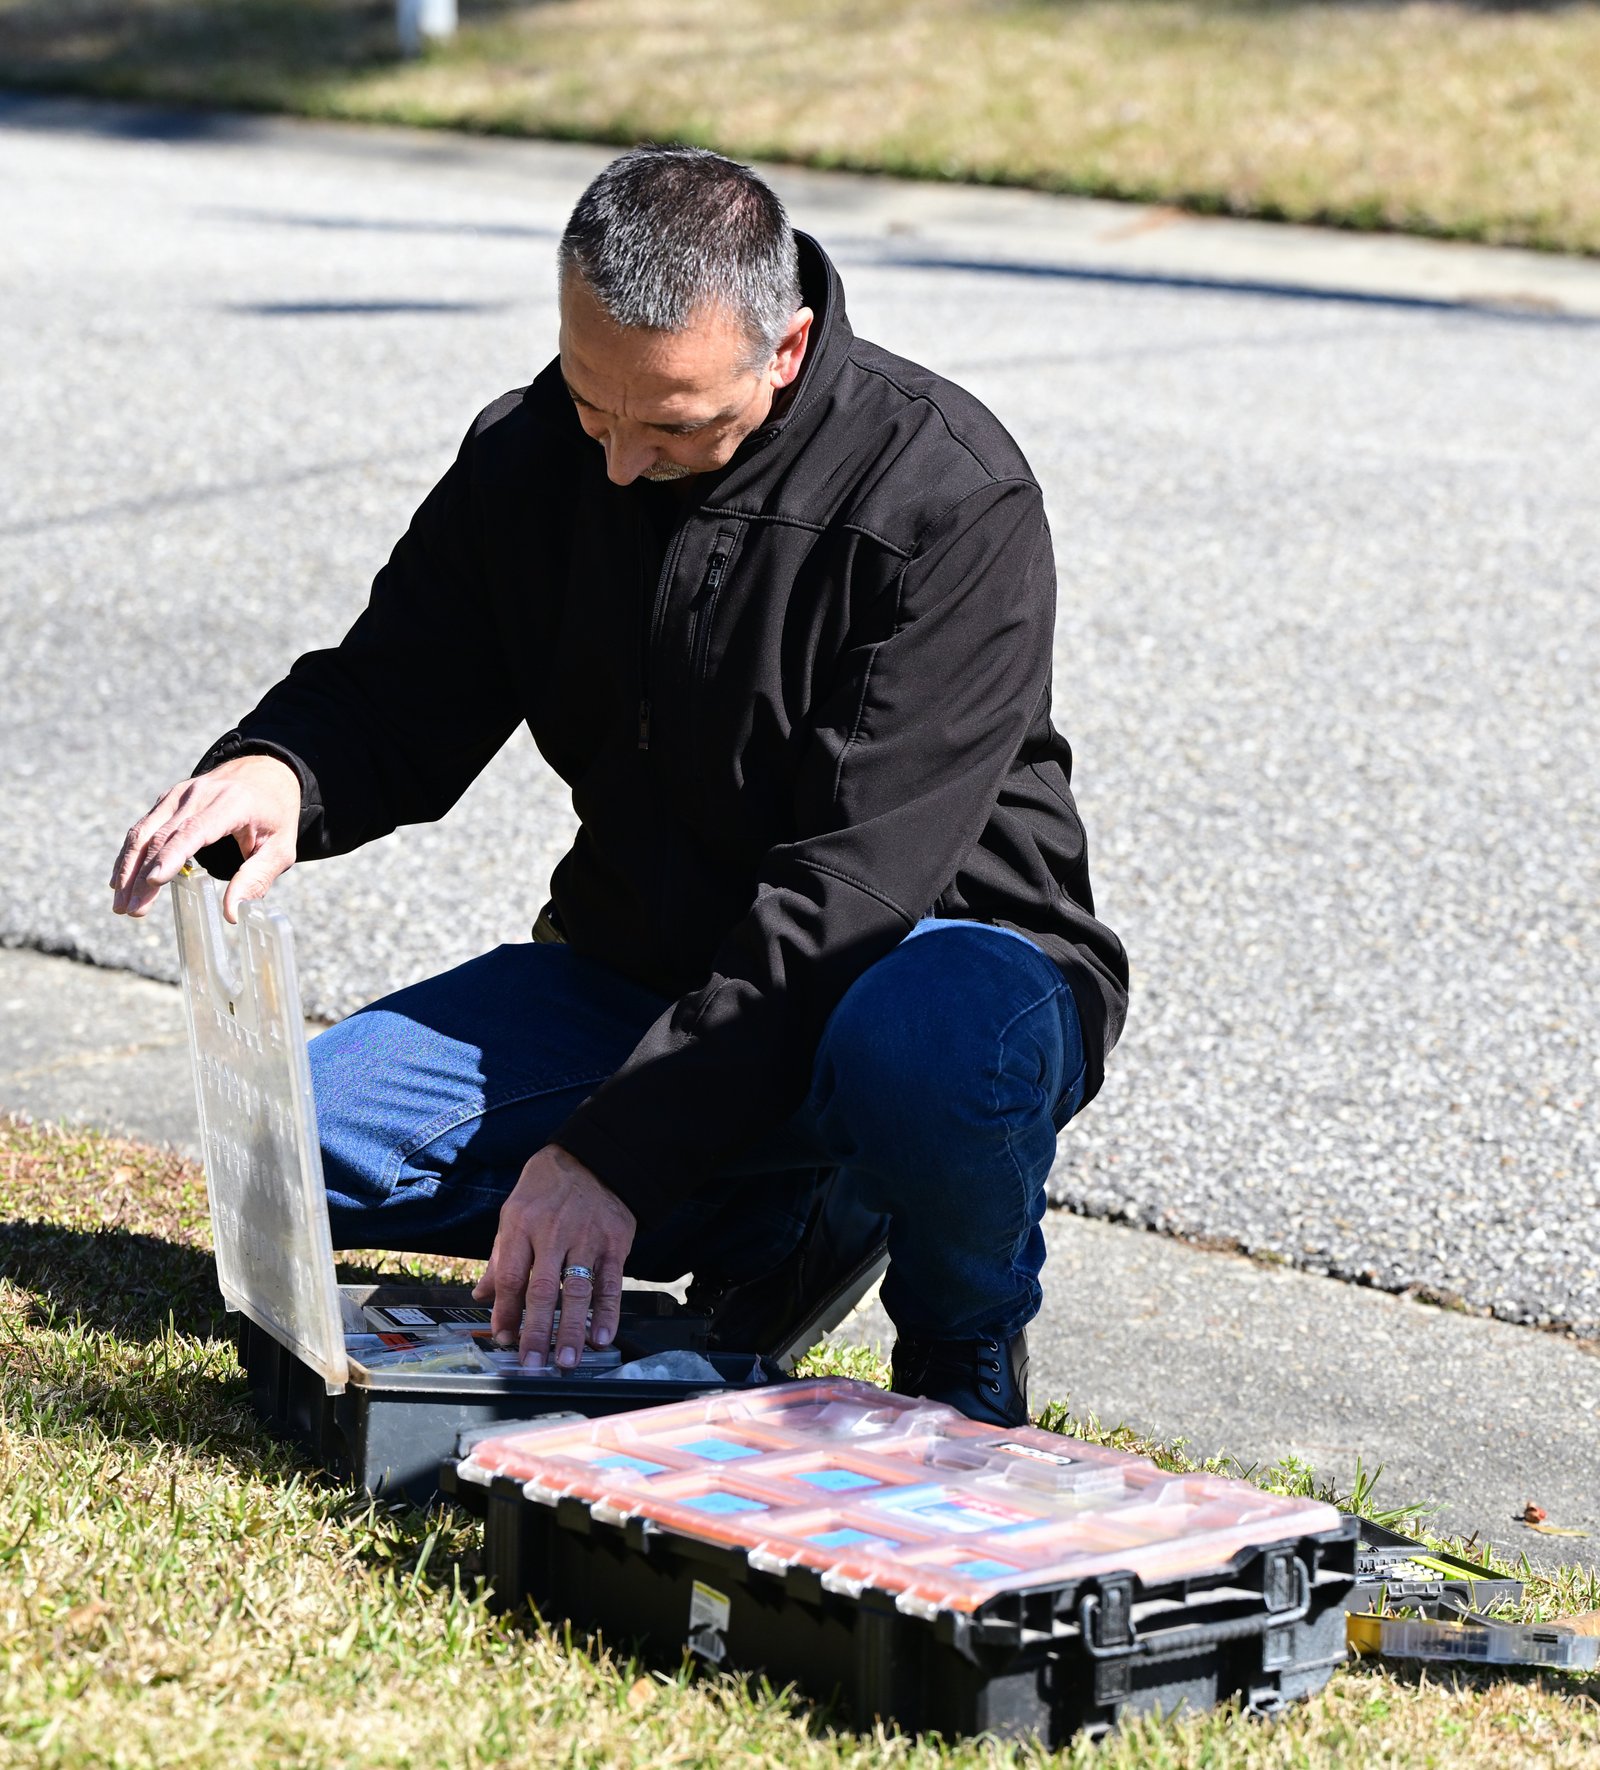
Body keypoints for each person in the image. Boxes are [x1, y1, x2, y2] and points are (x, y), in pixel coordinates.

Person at [110, 146, 1128, 1426]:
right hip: (640, 973)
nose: (618, 465)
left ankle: (959, 1348)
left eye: (672, 425)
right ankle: (778, 1212)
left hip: (918, 959)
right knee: (296, 1148)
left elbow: (852, 889)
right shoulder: (534, 455)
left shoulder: (947, 498)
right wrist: (283, 767)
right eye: (595, 405)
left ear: (789, 347)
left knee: (919, 1043)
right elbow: (400, 685)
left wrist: (612, 1152)